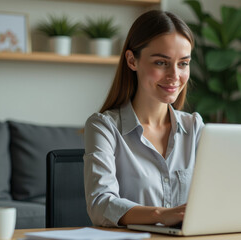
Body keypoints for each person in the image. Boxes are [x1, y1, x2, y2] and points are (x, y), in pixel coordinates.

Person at [83, 10, 204, 228]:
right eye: (161, 63)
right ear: (132, 60)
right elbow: (100, 205)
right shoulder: (104, 127)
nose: (174, 75)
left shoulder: (194, 127)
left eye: (183, 63)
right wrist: (161, 214)